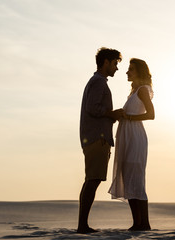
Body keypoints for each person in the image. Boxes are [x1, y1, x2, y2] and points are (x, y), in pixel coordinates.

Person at [77, 47, 124, 234]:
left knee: (92, 180)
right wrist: (112, 114)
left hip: (95, 137)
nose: (116, 68)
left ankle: (83, 224)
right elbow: (92, 108)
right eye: (115, 64)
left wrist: (111, 116)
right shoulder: (98, 82)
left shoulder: (97, 82)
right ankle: (82, 225)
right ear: (106, 62)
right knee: (92, 180)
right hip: (97, 138)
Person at [108, 58, 155, 231]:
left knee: (136, 178)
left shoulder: (142, 90)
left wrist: (129, 117)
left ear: (139, 72)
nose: (127, 72)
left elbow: (151, 114)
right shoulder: (134, 92)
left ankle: (144, 224)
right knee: (129, 177)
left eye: (131, 69)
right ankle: (138, 223)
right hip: (128, 136)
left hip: (135, 136)